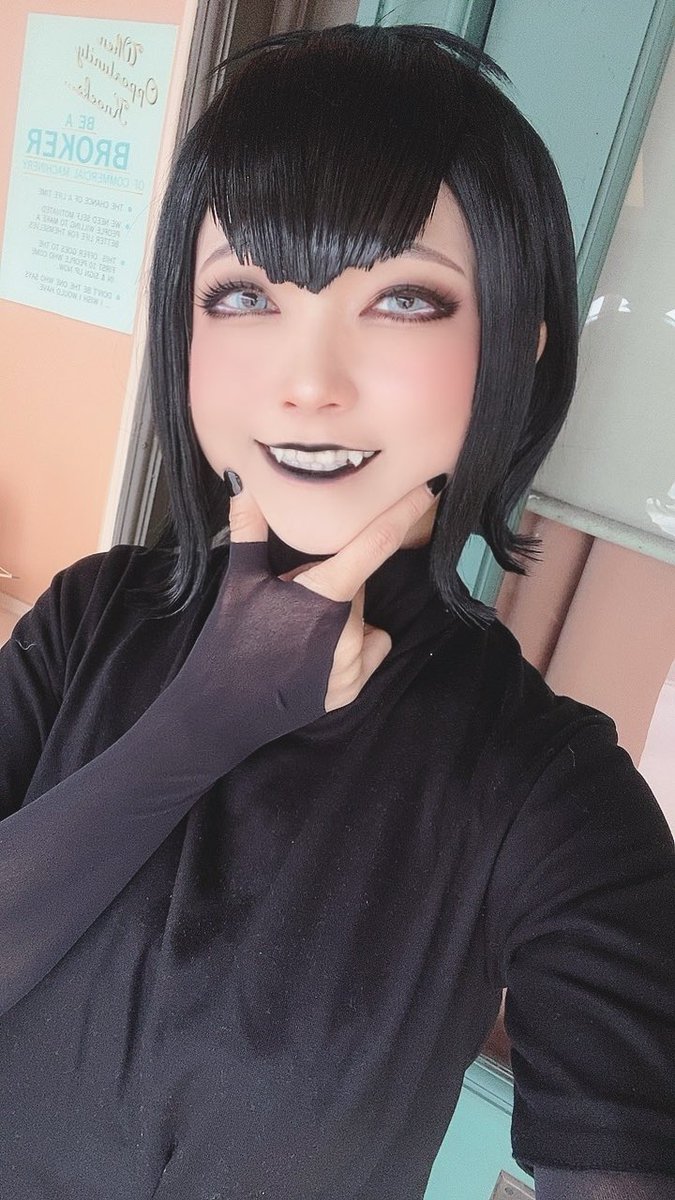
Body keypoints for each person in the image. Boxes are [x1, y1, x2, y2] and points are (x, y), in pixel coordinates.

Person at [0, 22, 673, 1200]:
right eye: (244, 294)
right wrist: (199, 722)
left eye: (405, 299)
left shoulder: (546, 788)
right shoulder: (86, 621)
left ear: (517, 348)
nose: (307, 381)